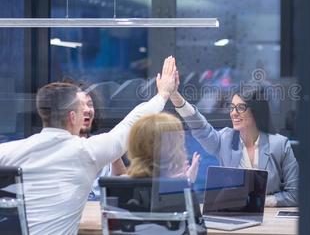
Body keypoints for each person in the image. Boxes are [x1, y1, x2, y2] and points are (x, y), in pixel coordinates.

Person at [0, 56, 177, 235]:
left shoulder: (9, 151)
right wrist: (162, 94)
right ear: (72, 117)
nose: (87, 112)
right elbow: (130, 124)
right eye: (81, 109)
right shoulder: (86, 152)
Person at [170, 82, 299, 207]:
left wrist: (260, 202)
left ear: (256, 111)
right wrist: (177, 98)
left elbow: (295, 194)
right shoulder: (225, 139)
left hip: (269, 220)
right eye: (231, 107)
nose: (233, 113)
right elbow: (201, 128)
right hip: (233, 215)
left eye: (240, 107)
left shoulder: (280, 145)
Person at [123, 112, 205, 234]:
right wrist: (184, 185)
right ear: (170, 151)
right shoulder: (181, 194)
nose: (183, 149)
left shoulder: (120, 188)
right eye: (180, 144)